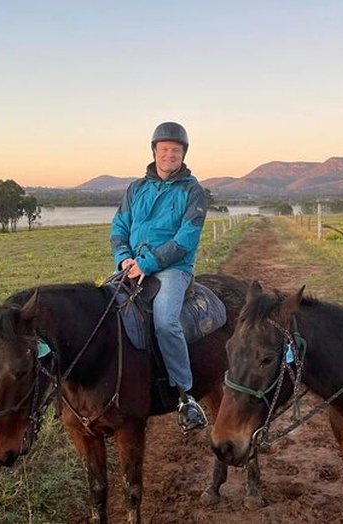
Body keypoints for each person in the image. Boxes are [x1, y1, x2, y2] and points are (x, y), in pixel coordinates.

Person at [110, 121, 209, 433]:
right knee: (101, 315)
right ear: (154, 152)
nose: (170, 155)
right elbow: (119, 226)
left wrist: (148, 263)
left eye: (175, 150)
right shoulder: (136, 189)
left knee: (165, 322)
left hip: (173, 268)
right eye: (164, 149)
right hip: (132, 264)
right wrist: (123, 257)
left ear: (183, 155)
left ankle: (185, 395)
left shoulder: (193, 191)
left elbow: (186, 240)